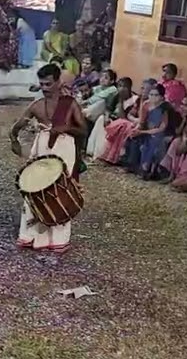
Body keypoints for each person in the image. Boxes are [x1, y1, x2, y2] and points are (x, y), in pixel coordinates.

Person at [10, 63, 86, 252]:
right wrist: (15, 142)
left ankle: (57, 240)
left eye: (48, 84)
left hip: (65, 148)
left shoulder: (70, 104)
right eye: (42, 84)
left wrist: (65, 128)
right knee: (36, 188)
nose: (44, 89)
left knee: (61, 188)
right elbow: (16, 128)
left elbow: (83, 130)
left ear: (58, 82)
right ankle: (31, 236)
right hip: (42, 148)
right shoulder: (36, 106)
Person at [123, 84, 176, 178]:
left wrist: (143, 132)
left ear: (161, 97)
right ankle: (132, 165)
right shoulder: (146, 104)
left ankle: (148, 170)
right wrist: (137, 129)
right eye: (151, 94)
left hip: (162, 133)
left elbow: (162, 128)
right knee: (133, 136)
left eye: (156, 95)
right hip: (147, 130)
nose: (152, 97)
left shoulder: (165, 108)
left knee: (153, 140)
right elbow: (142, 122)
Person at [99, 78, 155, 165]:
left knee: (124, 125)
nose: (142, 90)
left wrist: (137, 122)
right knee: (123, 124)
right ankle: (111, 156)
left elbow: (148, 122)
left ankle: (114, 156)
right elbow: (130, 115)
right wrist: (136, 120)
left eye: (144, 88)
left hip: (145, 128)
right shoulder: (139, 100)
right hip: (134, 123)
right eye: (142, 88)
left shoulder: (152, 104)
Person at [86, 76, 133, 161]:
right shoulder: (116, 96)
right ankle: (95, 151)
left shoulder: (133, 100)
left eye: (125, 86)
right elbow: (108, 109)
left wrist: (121, 102)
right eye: (120, 86)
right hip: (111, 119)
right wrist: (106, 117)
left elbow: (124, 118)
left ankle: (104, 153)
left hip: (122, 123)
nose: (122, 89)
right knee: (101, 119)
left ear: (129, 88)